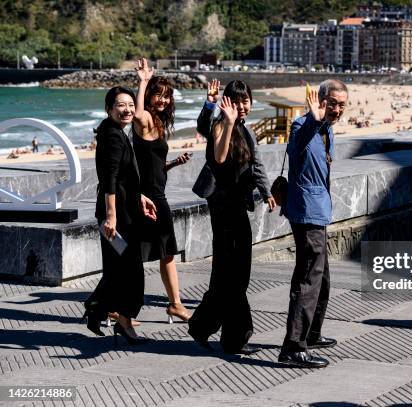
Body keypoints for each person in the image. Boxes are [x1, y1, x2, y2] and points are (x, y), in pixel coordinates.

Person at [188, 80, 275, 354]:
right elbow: (220, 158)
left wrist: (267, 191)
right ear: (227, 103)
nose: (241, 106)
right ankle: (234, 338)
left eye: (245, 100)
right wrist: (223, 118)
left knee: (229, 274)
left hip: (238, 206)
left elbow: (257, 164)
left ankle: (202, 325)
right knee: (234, 274)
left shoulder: (247, 131)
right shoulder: (219, 125)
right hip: (224, 209)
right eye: (236, 101)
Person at [278, 79, 348, 368]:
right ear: (320, 101)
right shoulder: (303, 125)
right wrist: (312, 121)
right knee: (308, 279)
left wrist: (321, 123)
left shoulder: (327, 129)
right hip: (307, 213)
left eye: (342, 104)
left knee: (322, 279)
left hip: (318, 211)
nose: (337, 109)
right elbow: (295, 148)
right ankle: (293, 346)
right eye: (332, 103)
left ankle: (312, 333)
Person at [84, 86, 157, 344]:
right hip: (118, 219)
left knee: (119, 270)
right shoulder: (114, 136)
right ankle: (116, 317)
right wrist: (111, 216)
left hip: (124, 212)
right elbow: (110, 180)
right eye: (120, 105)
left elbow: (124, 178)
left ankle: (102, 310)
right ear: (109, 109)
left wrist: (140, 197)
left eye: (129, 105)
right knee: (131, 271)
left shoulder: (112, 131)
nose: (127, 109)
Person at [133, 58, 192, 323]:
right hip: (146, 199)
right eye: (159, 95)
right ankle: (120, 307)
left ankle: (175, 304)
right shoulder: (144, 121)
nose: (163, 100)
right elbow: (136, 113)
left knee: (165, 252)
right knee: (139, 255)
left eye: (167, 96)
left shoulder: (158, 125)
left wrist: (171, 164)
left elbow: (151, 166)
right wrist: (143, 82)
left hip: (157, 194)